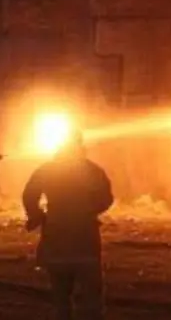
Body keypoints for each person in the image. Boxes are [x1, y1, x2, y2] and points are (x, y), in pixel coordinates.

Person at [23, 131, 114, 320]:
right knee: (91, 298)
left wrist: (37, 215)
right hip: (85, 238)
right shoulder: (92, 171)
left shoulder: (47, 170)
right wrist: (89, 211)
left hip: (56, 236)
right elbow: (106, 199)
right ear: (80, 146)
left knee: (60, 296)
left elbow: (29, 195)